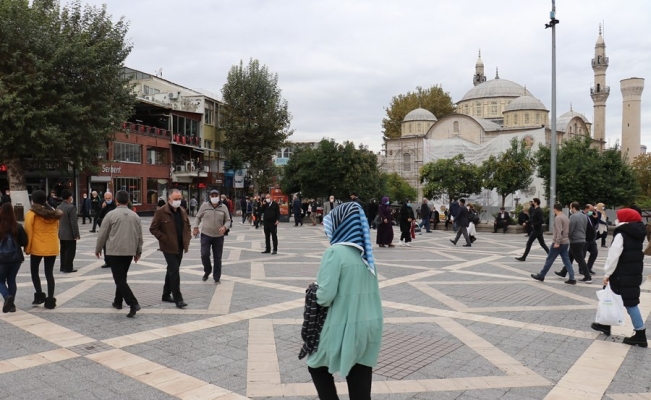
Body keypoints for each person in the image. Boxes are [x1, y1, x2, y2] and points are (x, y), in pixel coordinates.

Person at [306, 202, 383, 399]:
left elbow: (324, 297)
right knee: (360, 383)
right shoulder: (366, 254)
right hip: (369, 325)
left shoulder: (335, 253)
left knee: (316, 365)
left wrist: (314, 288)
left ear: (340, 224)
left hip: (344, 325)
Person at [591, 208, 648, 347]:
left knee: (629, 303)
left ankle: (640, 333)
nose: (616, 219)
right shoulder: (637, 232)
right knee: (618, 298)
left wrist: (607, 274)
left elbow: (613, 256)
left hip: (621, 274)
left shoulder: (622, 234)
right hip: (632, 272)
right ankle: (604, 324)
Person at [94, 190, 143, 318]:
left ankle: (133, 303)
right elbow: (139, 236)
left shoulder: (110, 215)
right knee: (122, 277)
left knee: (119, 279)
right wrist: (138, 251)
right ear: (127, 201)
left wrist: (98, 248)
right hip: (129, 251)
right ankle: (118, 301)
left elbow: (102, 233)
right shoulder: (135, 216)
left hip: (114, 251)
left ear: (116, 200)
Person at [150, 189, 191, 308]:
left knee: (172, 270)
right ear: (169, 199)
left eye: (180, 199)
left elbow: (187, 225)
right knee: (174, 271)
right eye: (175, 199)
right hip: (168, 246)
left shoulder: (182, 211)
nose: (178, 201)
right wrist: (164, 239)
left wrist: (187, 237)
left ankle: (166, 294)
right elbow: (153, 228)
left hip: (180, 245)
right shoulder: (161, 212)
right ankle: (178, 298)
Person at [24, 190, 63, 309]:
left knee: (34, 271)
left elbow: (28, 232)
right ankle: (50, 299)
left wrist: (27, 248)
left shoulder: (32, 213)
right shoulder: (53, 213)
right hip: (52, 245)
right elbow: (57, 228)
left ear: (33, 200)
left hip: (37, 246)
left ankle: (39, 295)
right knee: (49, 273)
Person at [530, 203, 576, 284]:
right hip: (565, 242)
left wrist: (557, 242)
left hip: (559, 242)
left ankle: (541, 275)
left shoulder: (558, 218)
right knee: (567, 261)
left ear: (555, 209)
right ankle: (572, 278)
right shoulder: (566, 217)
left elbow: (559, 231)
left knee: (549, 259)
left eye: (553, 209)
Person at [193, 190, 230, 283]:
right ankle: (207, 270)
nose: (214, 197)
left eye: (216, 195)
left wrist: (225, 227)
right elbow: (198, 217)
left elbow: (228, 220)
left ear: (219, 196)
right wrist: (195, 227)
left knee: (217, 257)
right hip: (206, 234)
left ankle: (216, 277)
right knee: (204, 254)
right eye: (212, 196)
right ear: (209, 197)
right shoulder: (204, 206)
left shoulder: (223, 207)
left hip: (218, 236)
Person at [0, 203, 28, 313]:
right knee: (12, 279)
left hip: (1, 259)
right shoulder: (17, 226)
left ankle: (7, 297)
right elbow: (24, 242)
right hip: (16, 258)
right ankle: (11, 305)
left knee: (0, 280)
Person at [567, 202, 592, 284]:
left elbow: (570, 229)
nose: (570, 209)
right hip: (582, 239)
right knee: (569, 256)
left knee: (580, 260)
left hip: (575, 240)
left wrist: (567, 237)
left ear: (573, 208)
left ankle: (587, 276)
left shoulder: (573, 217)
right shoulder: (584, 216)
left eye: (570, 207)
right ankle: (563, 272)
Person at [57, 190, 80, 273]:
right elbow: (73, 222)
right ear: (69, 197)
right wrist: (76, 234)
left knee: (63, 251)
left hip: (61, 233)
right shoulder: (71, 207)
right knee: (70, 251)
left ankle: (62, 266)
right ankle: (68, 267)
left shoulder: (59, 207)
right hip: (69, 233)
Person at [96, 192, 117, 268]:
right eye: (106, 199)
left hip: (114, 229)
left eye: (109, 198)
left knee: (114, 245)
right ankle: (107, 261)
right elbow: (99, 217)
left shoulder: (115, 205)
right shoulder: (103, 204)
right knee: (105, 246)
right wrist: (102, 208)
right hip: (106, 229)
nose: (108, 200)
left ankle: (114, 261)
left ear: (112, 198)